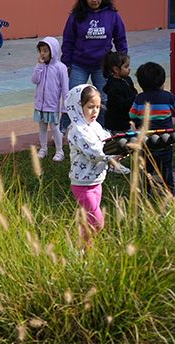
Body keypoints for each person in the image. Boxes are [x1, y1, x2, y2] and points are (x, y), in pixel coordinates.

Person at [61, 0, 128, 129]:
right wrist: (66, 63)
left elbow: (120, 39)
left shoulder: (112, 15)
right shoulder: (76, 16)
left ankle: (104, 129)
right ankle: (66, 130)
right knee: (73, 98)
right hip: (79, 65)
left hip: (103, 66)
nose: (94, 0)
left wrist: (121, 61)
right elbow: (68, 40)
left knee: (104, 99)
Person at [129, 62, 175, 195]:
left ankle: (146, 193)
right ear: (162, 82)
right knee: (166, 167)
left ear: (140, 83)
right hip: (165, 140)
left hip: (146, 142)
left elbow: (132, 115)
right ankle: (170, 191)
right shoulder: (167, 96)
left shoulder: (139, 99)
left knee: (146, 168)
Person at [66, 84, 114, 245]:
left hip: (96, 181)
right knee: (97, 222)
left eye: (98, 107)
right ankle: (81, 248)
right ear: (79, 107)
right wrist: (113, 155)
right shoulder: (77, 130)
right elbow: (95, 153)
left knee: (87, 221)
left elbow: (108, 141)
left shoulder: (95, 126)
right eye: (90, 107)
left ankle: (84, 251)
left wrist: (120, 147)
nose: (95, 111)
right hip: (83, 184)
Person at [32, 37, 69, 161]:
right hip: (39, 105)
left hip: (52, 105)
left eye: (46, 51)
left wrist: (65, 106)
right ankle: (43, 149)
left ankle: (60, 151)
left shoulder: (61, 68)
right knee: (42, 127)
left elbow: (65, 88)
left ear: (53, 51)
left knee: (54, 127)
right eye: (41, 51)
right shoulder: (40, 66)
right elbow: (34, 80)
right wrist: (39, 66)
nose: (42, 54)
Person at [102, 50, 136, 175]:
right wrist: (134, 99)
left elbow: (133, 91)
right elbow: (120, 105)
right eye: (126, 67)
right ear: (116, 69)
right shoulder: (113, 86)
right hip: (117, 121)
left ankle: (115, 161)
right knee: (121, 144)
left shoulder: (127, 79)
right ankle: (114, 164)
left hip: (127, 119)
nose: (129, 69)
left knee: (129, 143)